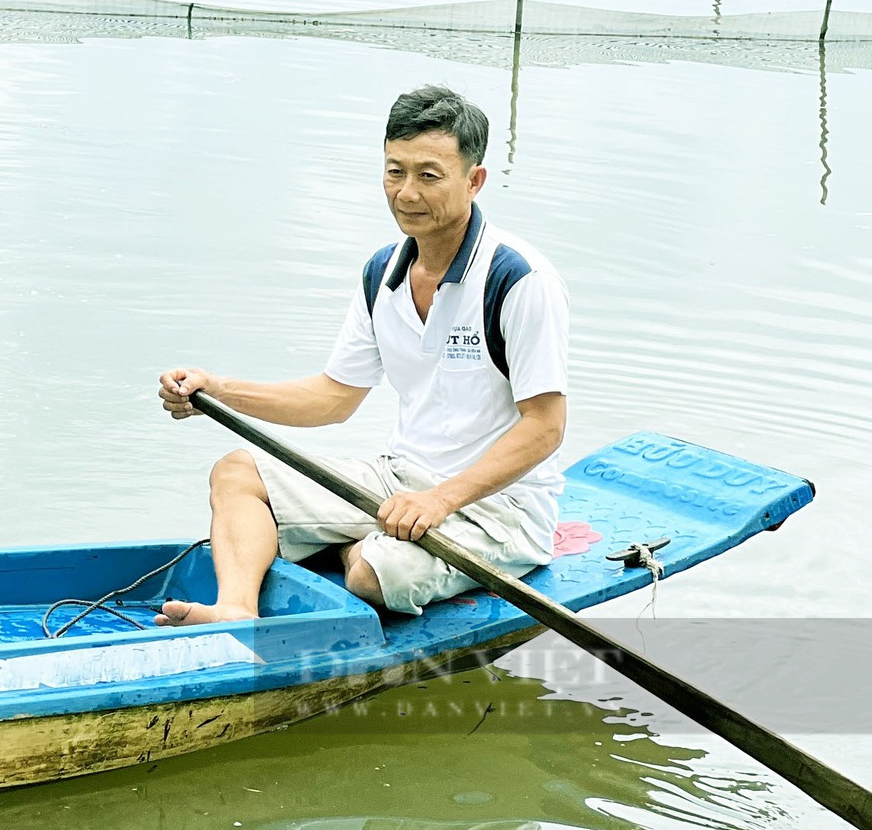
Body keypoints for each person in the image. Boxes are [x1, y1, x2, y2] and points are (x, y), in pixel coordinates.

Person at [156, 85, 568, 623]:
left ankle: (353, 546)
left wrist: (441, 500)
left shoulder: (517, 278)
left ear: (474, 180)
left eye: (428, 175)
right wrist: (217, 390)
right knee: (237, 473)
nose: (407, 193)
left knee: (372, 573)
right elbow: (333, 398)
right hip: (398, 482)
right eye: (395, 172)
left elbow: (545, 427)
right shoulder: (384, 272)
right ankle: (236, 609)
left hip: (499, 508)